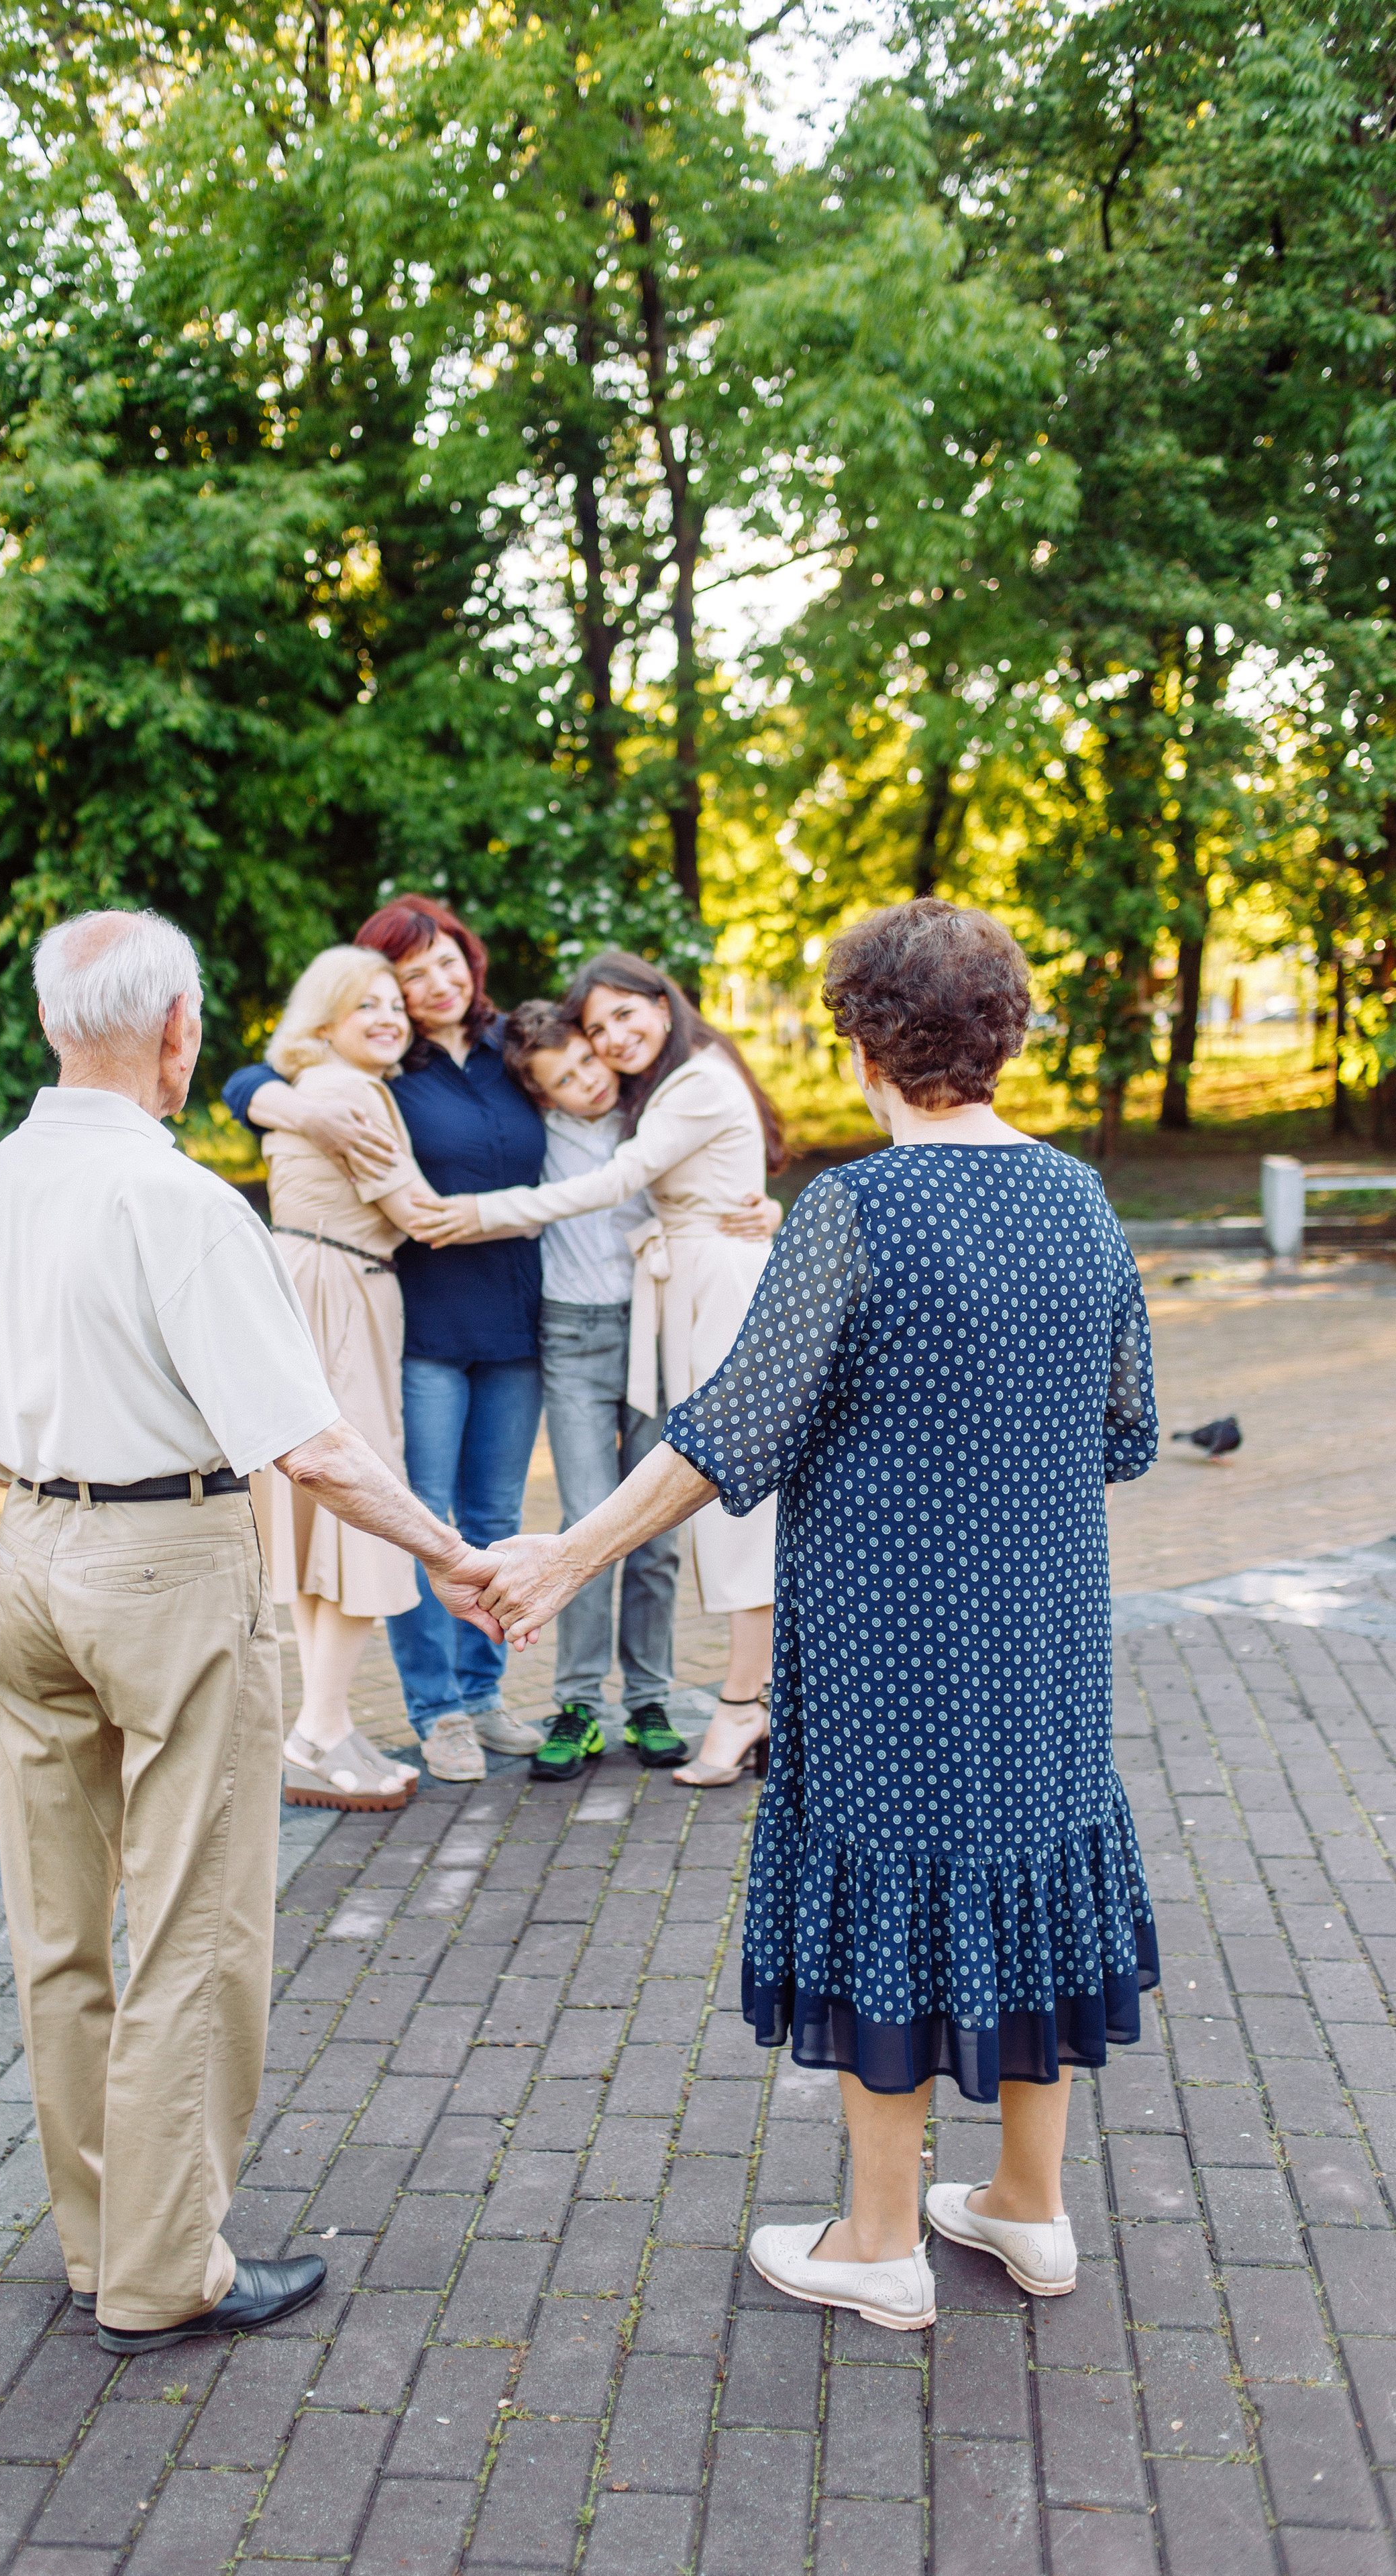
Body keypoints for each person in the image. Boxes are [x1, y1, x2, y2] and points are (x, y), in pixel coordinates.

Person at [473, 898, 1161, 2335]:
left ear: (861, 1046)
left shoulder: (854, 1211)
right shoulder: (1082, 1201)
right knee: (1026, 1867)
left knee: (891, 1891)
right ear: (1002, 1037)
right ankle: (1029, 2214)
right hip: (1042, 1623)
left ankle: (879, 2239)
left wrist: (563, 1557)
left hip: (886, 1634)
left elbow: (723, 1433)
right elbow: (1124, 1434)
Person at [0, 909, 502, 2357]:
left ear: (59, 1022)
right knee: (196, 1922)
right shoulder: (179, 1203)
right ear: (178, 1029)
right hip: (167, 1557)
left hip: (29, 1555)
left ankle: (95, 2239)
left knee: (59, 1929)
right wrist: (451, 1552)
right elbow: (306, 1442)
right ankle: (164, 2269)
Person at [413, 951, 788, 1790]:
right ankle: (586, 1701)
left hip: (672, 1314)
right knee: (593, 1515)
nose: (605, 1052)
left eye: (621, 1023)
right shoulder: (579, 1111)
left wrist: (765, 1214)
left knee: (672, 1516)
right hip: (599, 1325)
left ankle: (691, 1699)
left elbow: (678, 1175)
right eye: (594, 1033)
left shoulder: (657, 1099)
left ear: (663, 1003)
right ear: (539, 1090)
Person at [224, 894, 547, 1785]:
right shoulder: (371, 1082)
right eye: (400, 985)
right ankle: (430, 1712)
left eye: (442, 967)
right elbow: (246, 1085)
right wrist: (283, 1102)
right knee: (408, 1515)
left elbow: (604, 1100)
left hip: (510, 1317)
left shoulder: (512, 1051)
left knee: (488, 1518)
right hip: (404, 1316)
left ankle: (459, 1701)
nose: (420, 995)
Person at [261, 946, 445, 1811]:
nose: (387, 1016)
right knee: (364, 1515)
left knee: (317, 1528)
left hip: (315, 1291)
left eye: (393, 1005)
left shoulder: (314, 1088)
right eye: (363, 1005)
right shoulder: (348, 1093)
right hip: (338, 1300)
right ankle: (317, 1733)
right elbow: (421, 1216)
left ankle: (322, 1721)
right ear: (324, 1021)